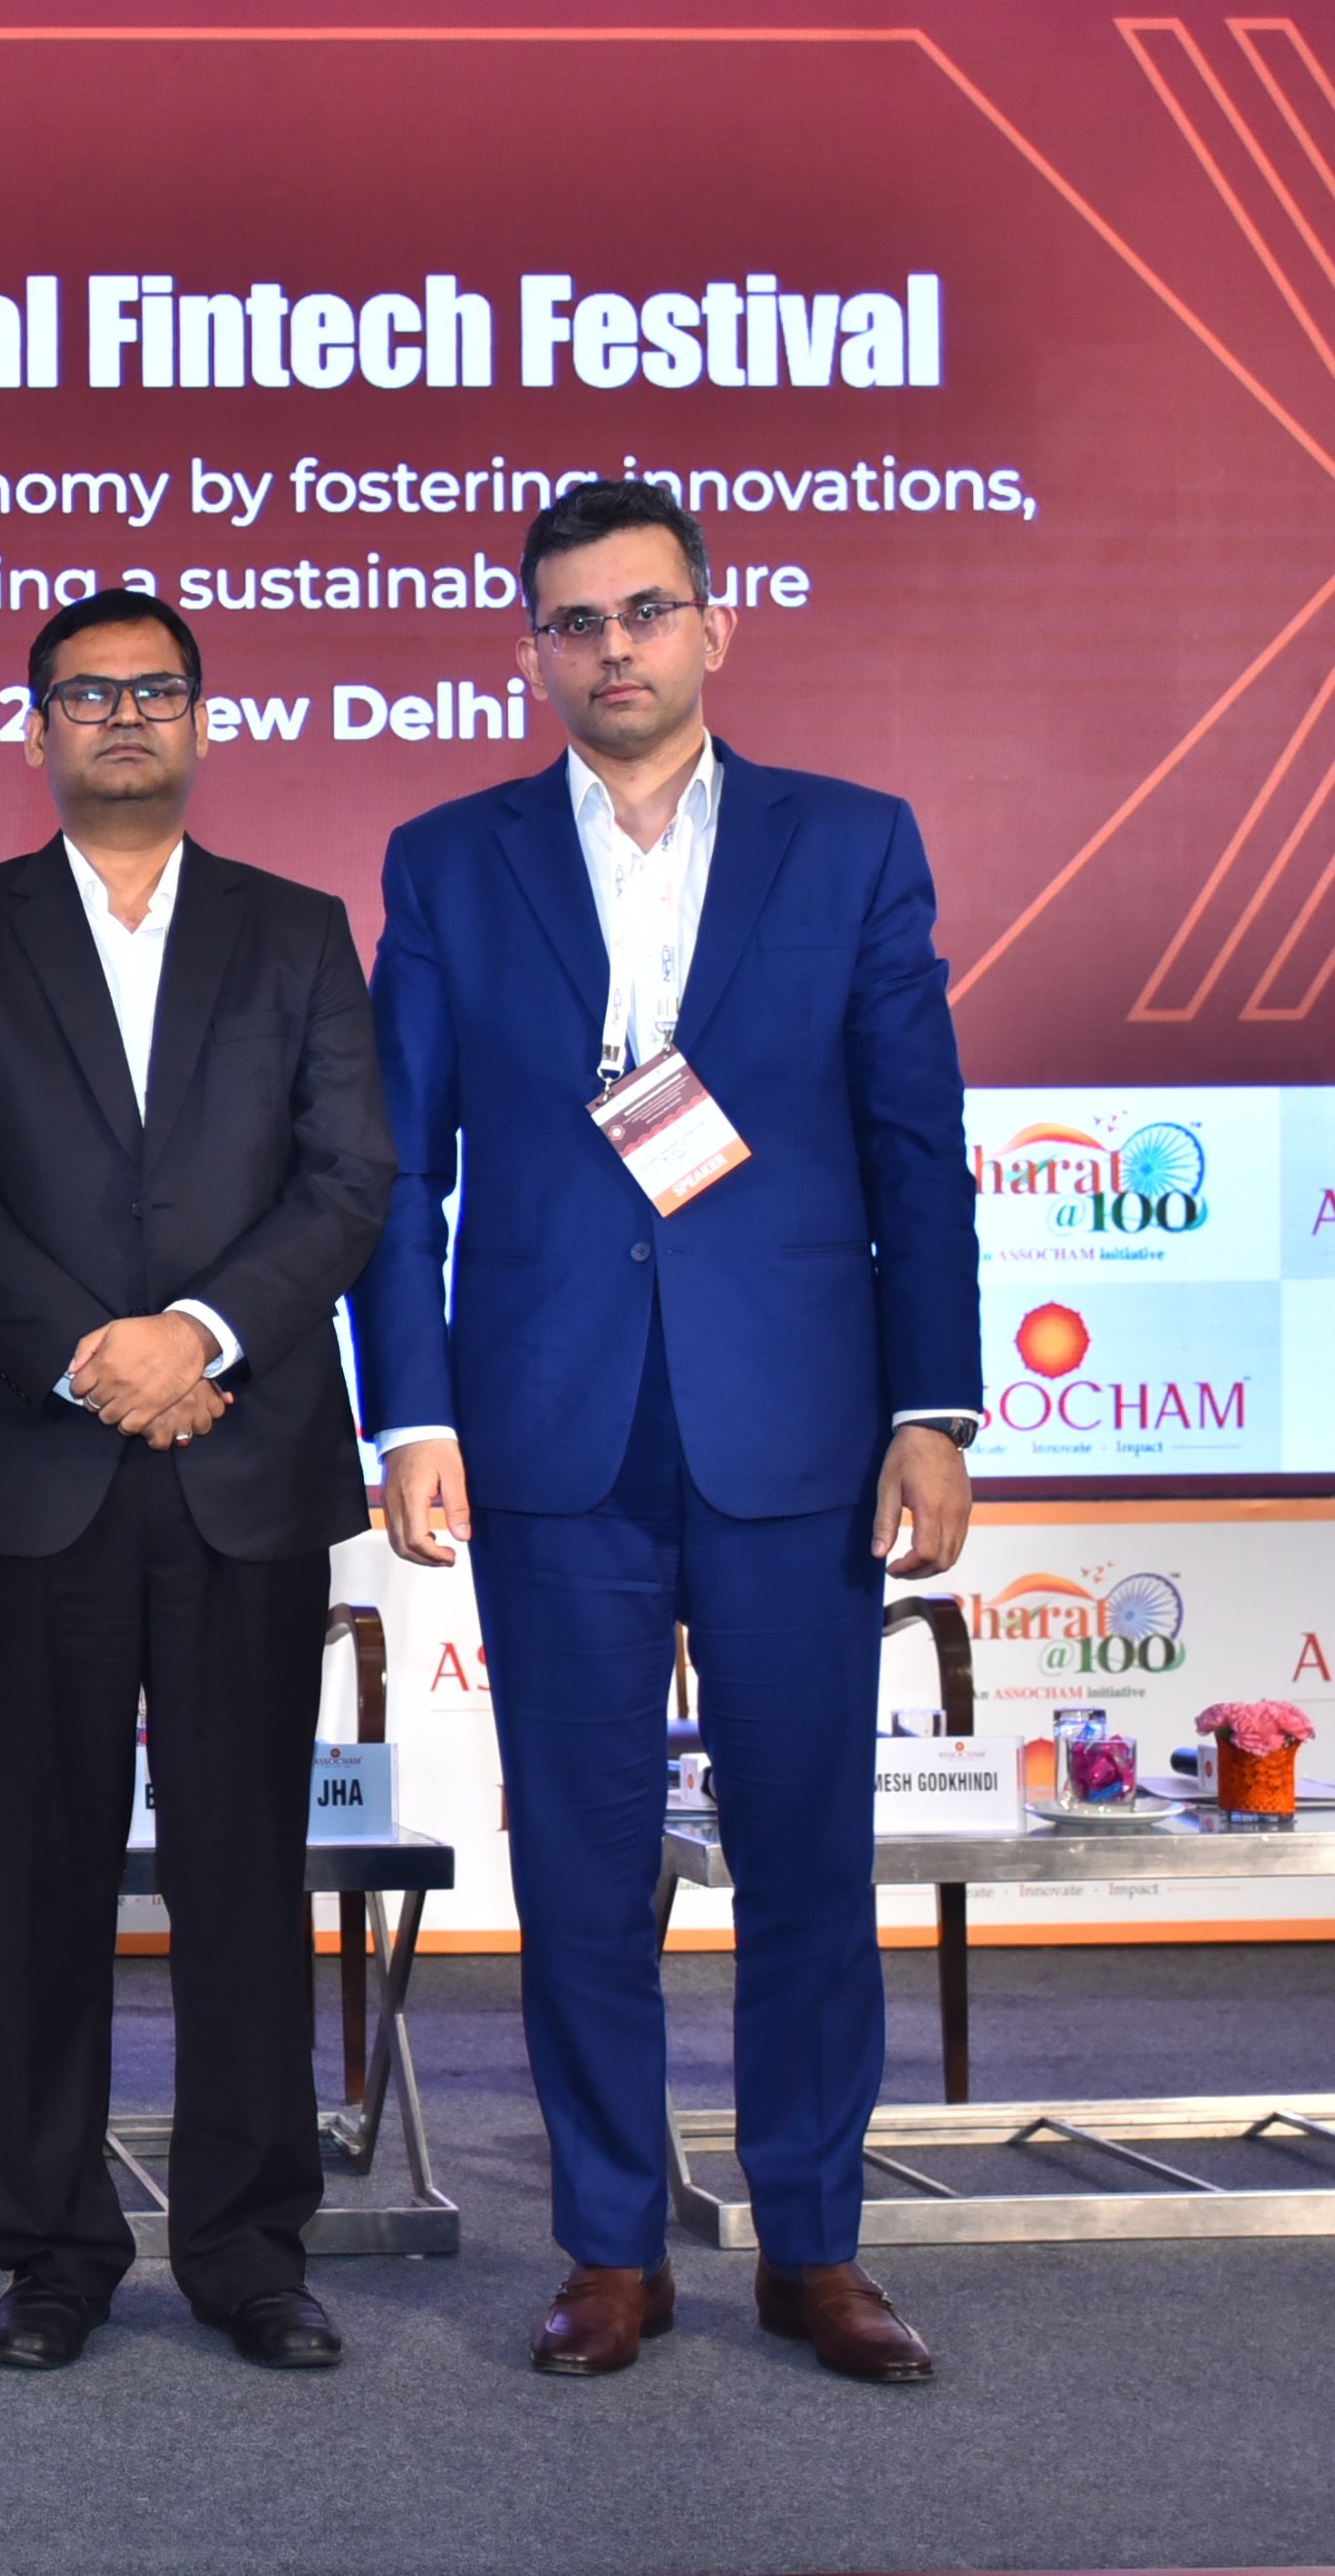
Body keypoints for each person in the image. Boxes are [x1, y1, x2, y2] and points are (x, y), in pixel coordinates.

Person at [350, 482, 979, 2382]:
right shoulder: (450, 861)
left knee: (808, 1859)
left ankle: (815, 2248)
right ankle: (612, 2245)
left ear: (716, 628)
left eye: (644, 611)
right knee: (580, 1864)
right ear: (531, 653)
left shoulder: (851, 843)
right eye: (576, 620)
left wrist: (931, 1407)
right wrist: (414, 1409)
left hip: (799, 1427)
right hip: (552, 1430)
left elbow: (914, 1145)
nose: (612, 647)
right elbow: (398, 1171)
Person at [0, 589, 392, 2375]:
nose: (121, 717)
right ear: (38, 730)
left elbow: (348, 1176)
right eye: (85, 693)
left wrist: (200, 1337)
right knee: (42, 1880)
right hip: (34, 1457)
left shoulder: (299, 929)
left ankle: (250, 2249)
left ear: (201, 720)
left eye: (154, 690)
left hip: (242, 1456)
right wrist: (96, 1354)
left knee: (245, 1875)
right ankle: (55, 2248)